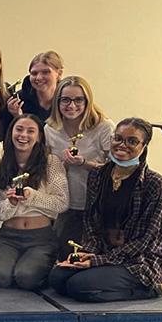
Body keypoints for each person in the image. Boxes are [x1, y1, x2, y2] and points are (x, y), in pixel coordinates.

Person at [50, 118, 162, 302]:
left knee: (79, 287)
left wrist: (97, 261)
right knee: (57, 278)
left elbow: (147, 241)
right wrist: (87, 253)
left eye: (132, 141)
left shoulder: (154, 183)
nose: (123, 145)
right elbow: (91, 223)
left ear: (144, 146)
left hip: (138, 258)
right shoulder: (98, 175)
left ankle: (150, 287)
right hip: (104, 251)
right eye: (118, 138)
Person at [0, 114, 68, 289]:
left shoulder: (51, 162)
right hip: (8, 236)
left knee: (26, 277)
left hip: (41, 236)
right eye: (19, 129)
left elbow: (62, 203)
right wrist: (12, 203)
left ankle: (46, 262)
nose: (23, 135)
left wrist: (31, 196)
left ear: (39, 136)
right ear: (11, 133)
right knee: (0, 276)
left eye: (30, 131)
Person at [45, 76, 113, 260]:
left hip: (97, 205)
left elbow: (116, 169)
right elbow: (45, 169)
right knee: (63, 255)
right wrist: (63, 165)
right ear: (57, 102)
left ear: (87, 101)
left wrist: (85, 163)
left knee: (96, 255)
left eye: (78, 100)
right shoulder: (49, 130)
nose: (71, 105)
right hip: (67, 206)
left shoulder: (104, 127)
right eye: (65, 100)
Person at [2, 51, 63, 128]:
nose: (39, 78)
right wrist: (17, 117)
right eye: (34, 73)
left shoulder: (68, 100)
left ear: (59, 74)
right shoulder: (18, 101)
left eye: (45, 72)